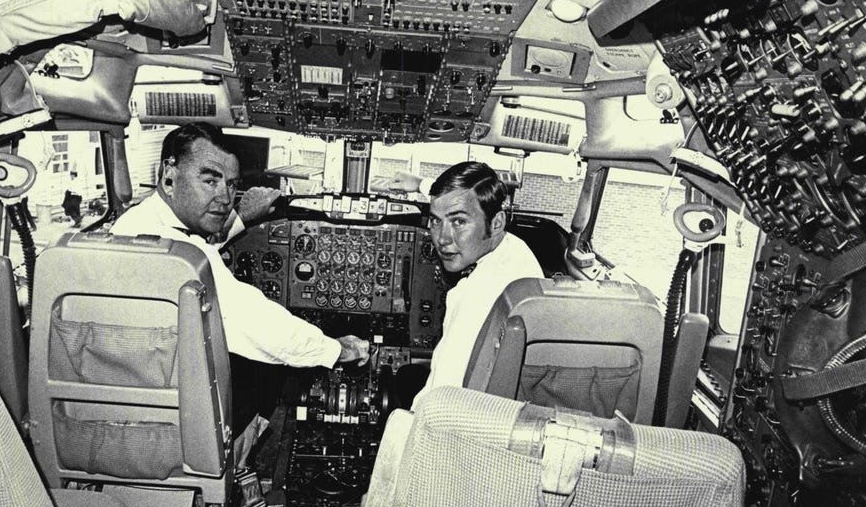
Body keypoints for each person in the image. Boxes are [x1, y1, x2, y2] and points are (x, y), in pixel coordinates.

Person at [110, 123, 370, 430]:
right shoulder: (180, 255)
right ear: (169, 175)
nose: (225, 197)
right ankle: (249, 445)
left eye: (232, 184)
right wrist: (339, 350)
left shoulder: (136, 224)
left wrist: (242, 218)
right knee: (272, 370)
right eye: (210, 180)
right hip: (174, 415)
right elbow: (259, 327)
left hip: (138, 387)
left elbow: (199, 245)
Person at [395, 162, 543, 405]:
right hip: (502, 399)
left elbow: (440, 399)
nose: (442, 239)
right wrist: (420, 184)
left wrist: (401, 423)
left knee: (403, 380)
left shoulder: (477, 297)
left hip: (469, 408)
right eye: (435, 221)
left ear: (496, 223)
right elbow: (458, 200)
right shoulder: (515, 249)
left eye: (459, 222)